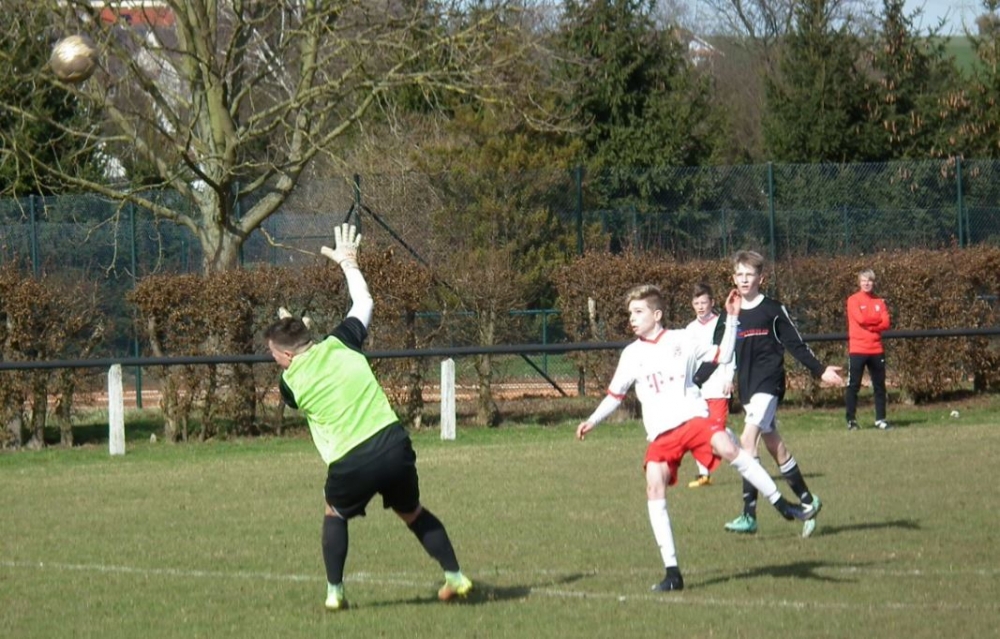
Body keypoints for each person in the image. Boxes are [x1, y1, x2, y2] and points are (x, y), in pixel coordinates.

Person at [264, 224, 472, 611]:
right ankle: (456, 577)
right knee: (412, 512)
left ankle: (335, 593)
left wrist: (294, 335)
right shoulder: (342, 342)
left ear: (287, 356)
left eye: (274, 354)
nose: (274, 359)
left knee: (334, 512)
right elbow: (364, 301)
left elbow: (297, 372)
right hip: (393, 444)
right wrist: (348, 263)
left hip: (351, 459)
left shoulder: (290, 383)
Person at [575, 284, 819, 593]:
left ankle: (783, 505)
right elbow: (615, 395)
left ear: (657, 315)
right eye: (630, 313)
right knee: (654, 485)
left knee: (728, 447)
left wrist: (732, 318)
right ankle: (672, 573)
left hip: (693, 419)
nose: (632, 318)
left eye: (638, 312)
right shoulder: (631, 354)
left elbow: (724, 354)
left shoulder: (682, 339)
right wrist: (592, 420)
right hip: (662, 434)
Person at [710, 250, 843, 538]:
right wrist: (718, 377)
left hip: (769, 384)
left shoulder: (772, 309)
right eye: (740, 274)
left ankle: (749, 515)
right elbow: (720, 349)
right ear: (733, 278)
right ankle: (808, 500)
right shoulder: (730, 311)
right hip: (748, 387)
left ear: (761, 278)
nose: (744, 279)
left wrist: (820, 370)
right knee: (775, 446)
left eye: (750, 274)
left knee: (747, 442)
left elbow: (795, 343)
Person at [684, 282, 736, 488]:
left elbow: (729, 352)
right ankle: (703, 474)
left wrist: (729, 377)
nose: (700, 307)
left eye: (704, 302)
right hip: (697, 389)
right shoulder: (689, 329)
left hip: (717, 386)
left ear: (712, 303)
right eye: (697, 303)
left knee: (717, 431)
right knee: (700, 430)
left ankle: (741, 448)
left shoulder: (721, 325)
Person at [845, 268, 892, 431]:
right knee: (854, 385)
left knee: (879, 386)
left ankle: (880, 419)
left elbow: (886, 323)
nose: (867, 283)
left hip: (876, 349)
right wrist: (876, 321)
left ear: (873, 282)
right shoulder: (853, 300)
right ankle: (851, 420)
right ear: (859, 283)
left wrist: (872, 325)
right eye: (864, 280)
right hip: (858, 349)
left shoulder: (879, 302)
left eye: (870, 280)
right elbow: (860, 319)